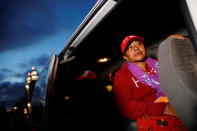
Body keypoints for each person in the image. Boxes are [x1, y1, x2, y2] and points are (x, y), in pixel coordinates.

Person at [113, 34, 186, 131]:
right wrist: (163, 108)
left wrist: (171, 43)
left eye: (139, 44)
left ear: (144, 48)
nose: (136, 48)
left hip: (173, 102)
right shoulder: (122, 75)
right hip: (146, 116)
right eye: (130, 47)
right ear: (125, 57)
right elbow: (127, 107)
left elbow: (175, 63)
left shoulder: (157, 63)